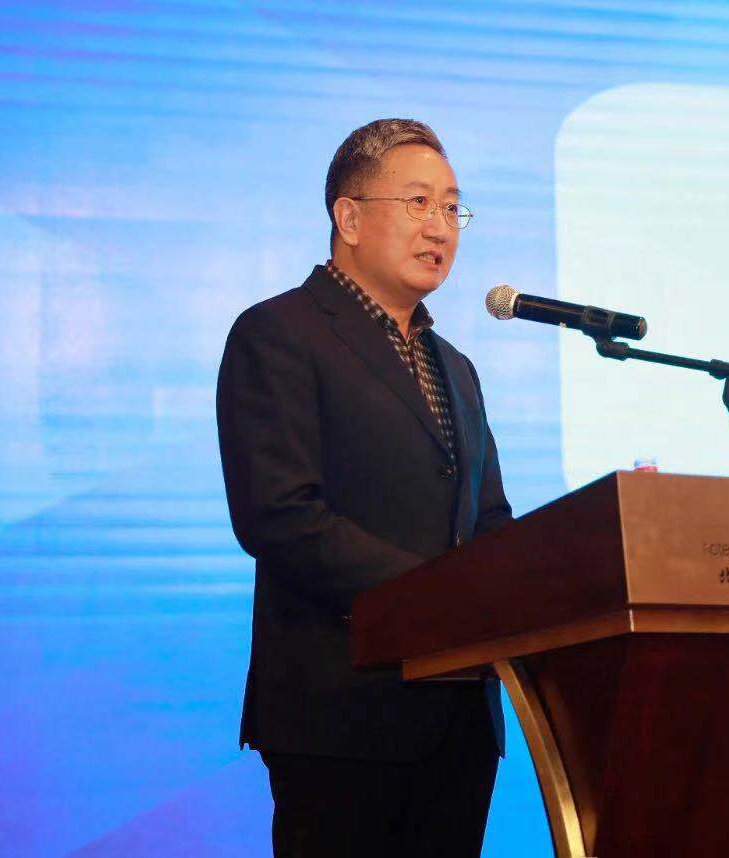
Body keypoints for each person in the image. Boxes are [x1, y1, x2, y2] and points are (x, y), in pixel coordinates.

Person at [216, 118, 511, 857]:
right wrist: (440, 598)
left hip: (460, 719)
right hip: (342, 714)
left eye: (452, 207)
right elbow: (280, 516)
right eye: (418, 202)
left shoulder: (457, 368)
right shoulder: (278, 333)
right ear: (348, 218)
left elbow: (490, 523)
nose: (440, 226)